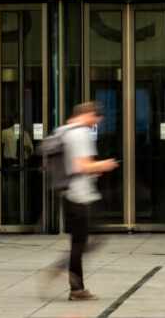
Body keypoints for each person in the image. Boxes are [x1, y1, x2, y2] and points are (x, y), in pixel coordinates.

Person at [61, 101, 118, 301]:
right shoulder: (81, 134)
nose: (98, 123)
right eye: (98, 119)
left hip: (70, 194)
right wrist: (104, 164)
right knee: (86, 240)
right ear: (91, 115)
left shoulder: (65, 131)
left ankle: (76, 288)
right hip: (81, 197)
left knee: (80, 241)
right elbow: (81, 166)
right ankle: (72, 283)